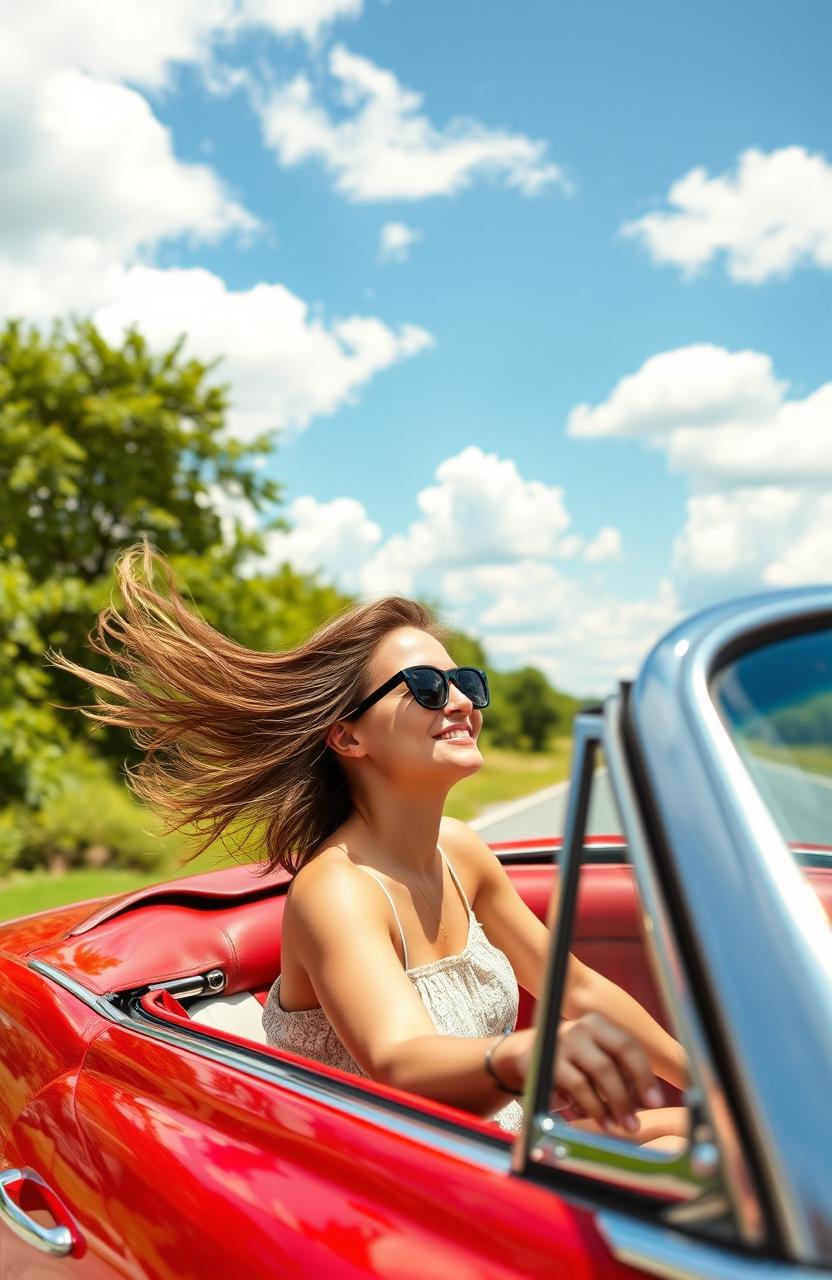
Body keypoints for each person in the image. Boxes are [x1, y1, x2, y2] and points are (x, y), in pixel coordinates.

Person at [55, 543, 687, 1138]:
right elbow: (400, 1062)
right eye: (426, 687)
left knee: (728, 1138)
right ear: (348, 738)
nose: (462, 700)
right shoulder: (337, 891)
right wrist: (530, 1053)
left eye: (466, 681)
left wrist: (707, 1083)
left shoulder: (462, 852)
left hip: (493, 1145)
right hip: (411, 1181)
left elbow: (574, 990)